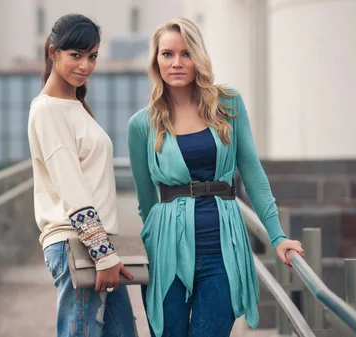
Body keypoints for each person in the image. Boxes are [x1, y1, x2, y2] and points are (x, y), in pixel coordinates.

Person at [127, 18, 305, 337]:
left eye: (186, 54)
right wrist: (155, 242)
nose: (177, 62)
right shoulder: (141, 124)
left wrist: (278, 236)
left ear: (199, 57)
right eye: (167, 54)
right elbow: (145, 200)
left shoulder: (227, 104)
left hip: (222, 252)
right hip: (167, 253)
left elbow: (252, 174)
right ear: (156, 60)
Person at [27, 13, 137, 337]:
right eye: (76, 55)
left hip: (94, 245)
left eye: (92, 57)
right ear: (53, 53)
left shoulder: (74, 106)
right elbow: (71, 187)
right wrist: (102, 255)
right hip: (77, 244)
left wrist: (105, 253)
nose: (85, 65)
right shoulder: (47, 110)